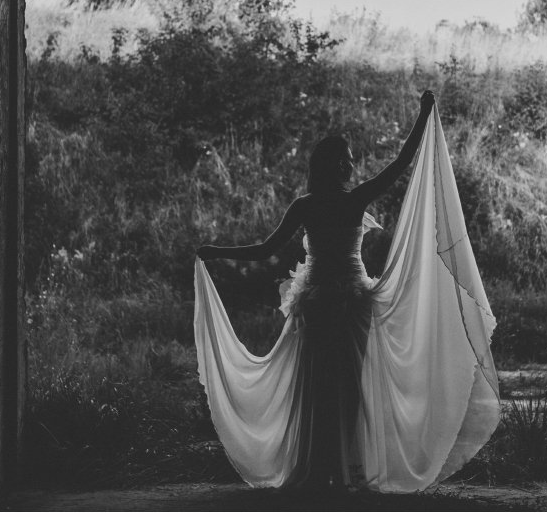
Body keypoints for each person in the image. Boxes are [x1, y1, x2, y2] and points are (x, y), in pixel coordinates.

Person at [193, 89, 499, 493]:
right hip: (351, 300)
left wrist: (217, 252)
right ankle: (343, 469)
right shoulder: (355, 200)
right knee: (348, 385)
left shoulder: (305, 205)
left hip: (317, 301)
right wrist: (423, 115)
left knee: (317, 385)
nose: (353, 164)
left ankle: (321, 468)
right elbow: (401, 163)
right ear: (338, 164)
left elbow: (266, 249)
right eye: (350, 158)